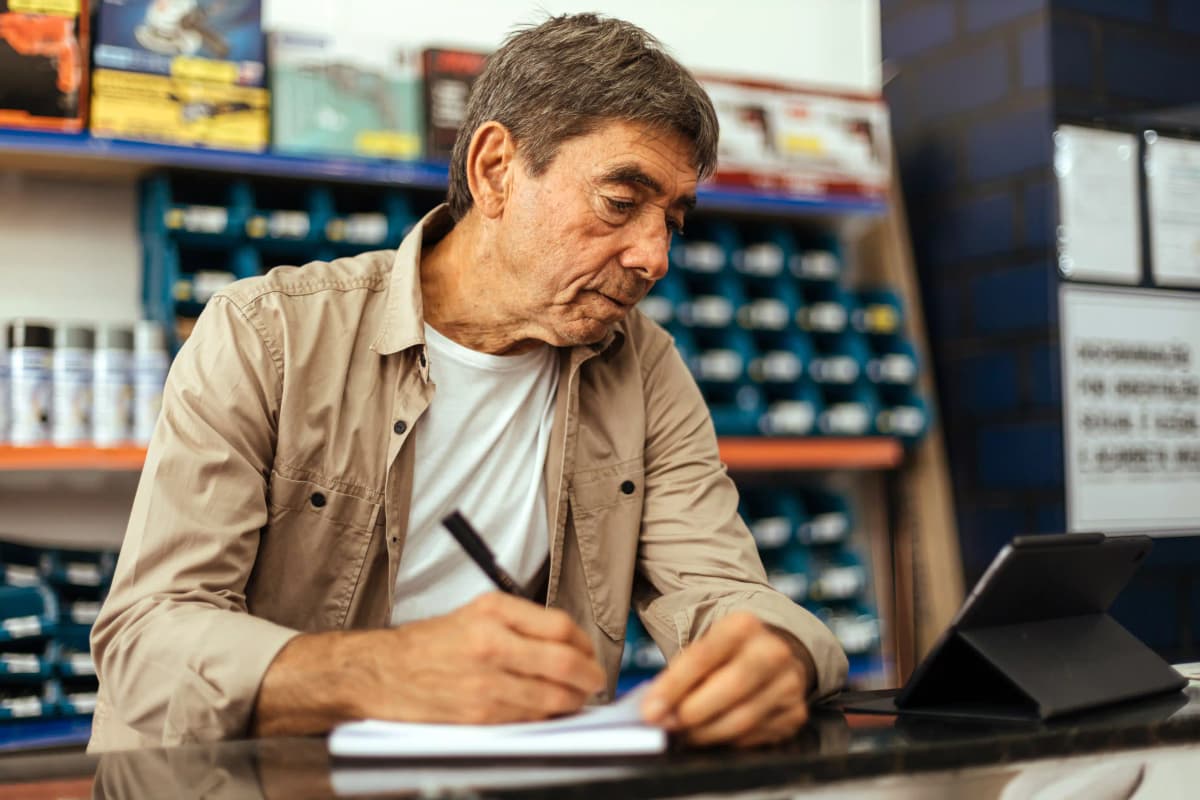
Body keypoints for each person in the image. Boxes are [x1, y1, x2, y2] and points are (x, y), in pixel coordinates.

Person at [89, 13, 848, 752]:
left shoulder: (645, 371)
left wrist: (775, 653)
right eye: (620, 203)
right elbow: (147, 637)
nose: (654, 257)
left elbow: (720, 589)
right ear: (495, 171)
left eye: (672, 221)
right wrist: (379, 673)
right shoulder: (267, 335)